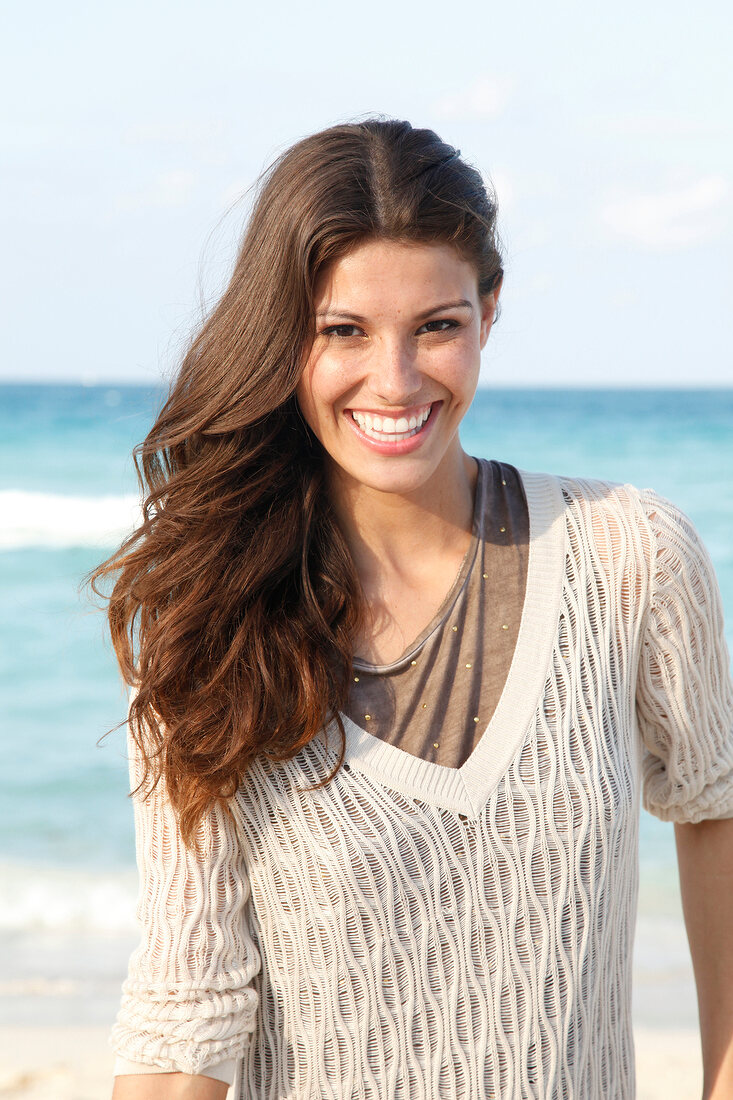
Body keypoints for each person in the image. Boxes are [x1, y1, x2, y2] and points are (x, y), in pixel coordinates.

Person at [96, 118, 733, 1099]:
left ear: (489, 310)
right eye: (341, 331)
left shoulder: (628, 554)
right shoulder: (211, 622)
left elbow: (715, 800)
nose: (393, 382)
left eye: (436, 325)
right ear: (284, 337)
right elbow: (186, 1009)